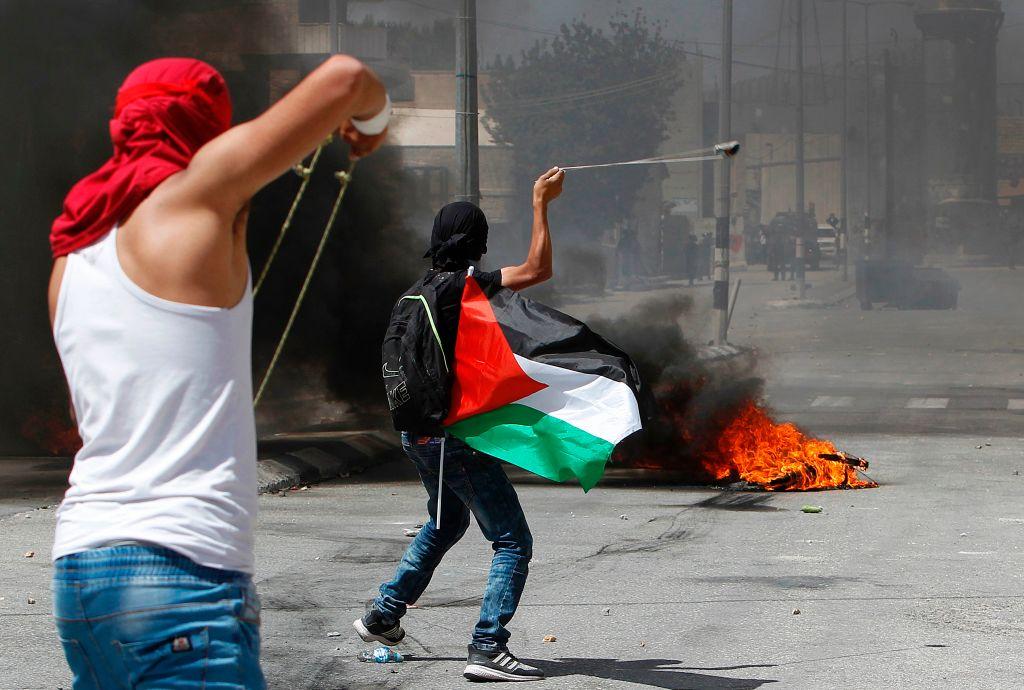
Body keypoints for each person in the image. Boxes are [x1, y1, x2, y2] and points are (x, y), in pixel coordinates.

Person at [48, 56, 388, 688]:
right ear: (205, 131)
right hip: (180, 572)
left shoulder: (72, 255)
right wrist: (375, 120)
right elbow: (346, 77)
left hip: (81, 574)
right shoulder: (196, 199)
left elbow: (87, 414)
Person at [356, 168, 565, 683]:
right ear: (479, 244)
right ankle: (488, 646)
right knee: (513, 540)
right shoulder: (463, 287)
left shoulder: (416, 291)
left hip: (417, 433)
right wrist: (540, 201)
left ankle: (383, 616)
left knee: (447, 522)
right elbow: (538, 269)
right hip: (451, 437)